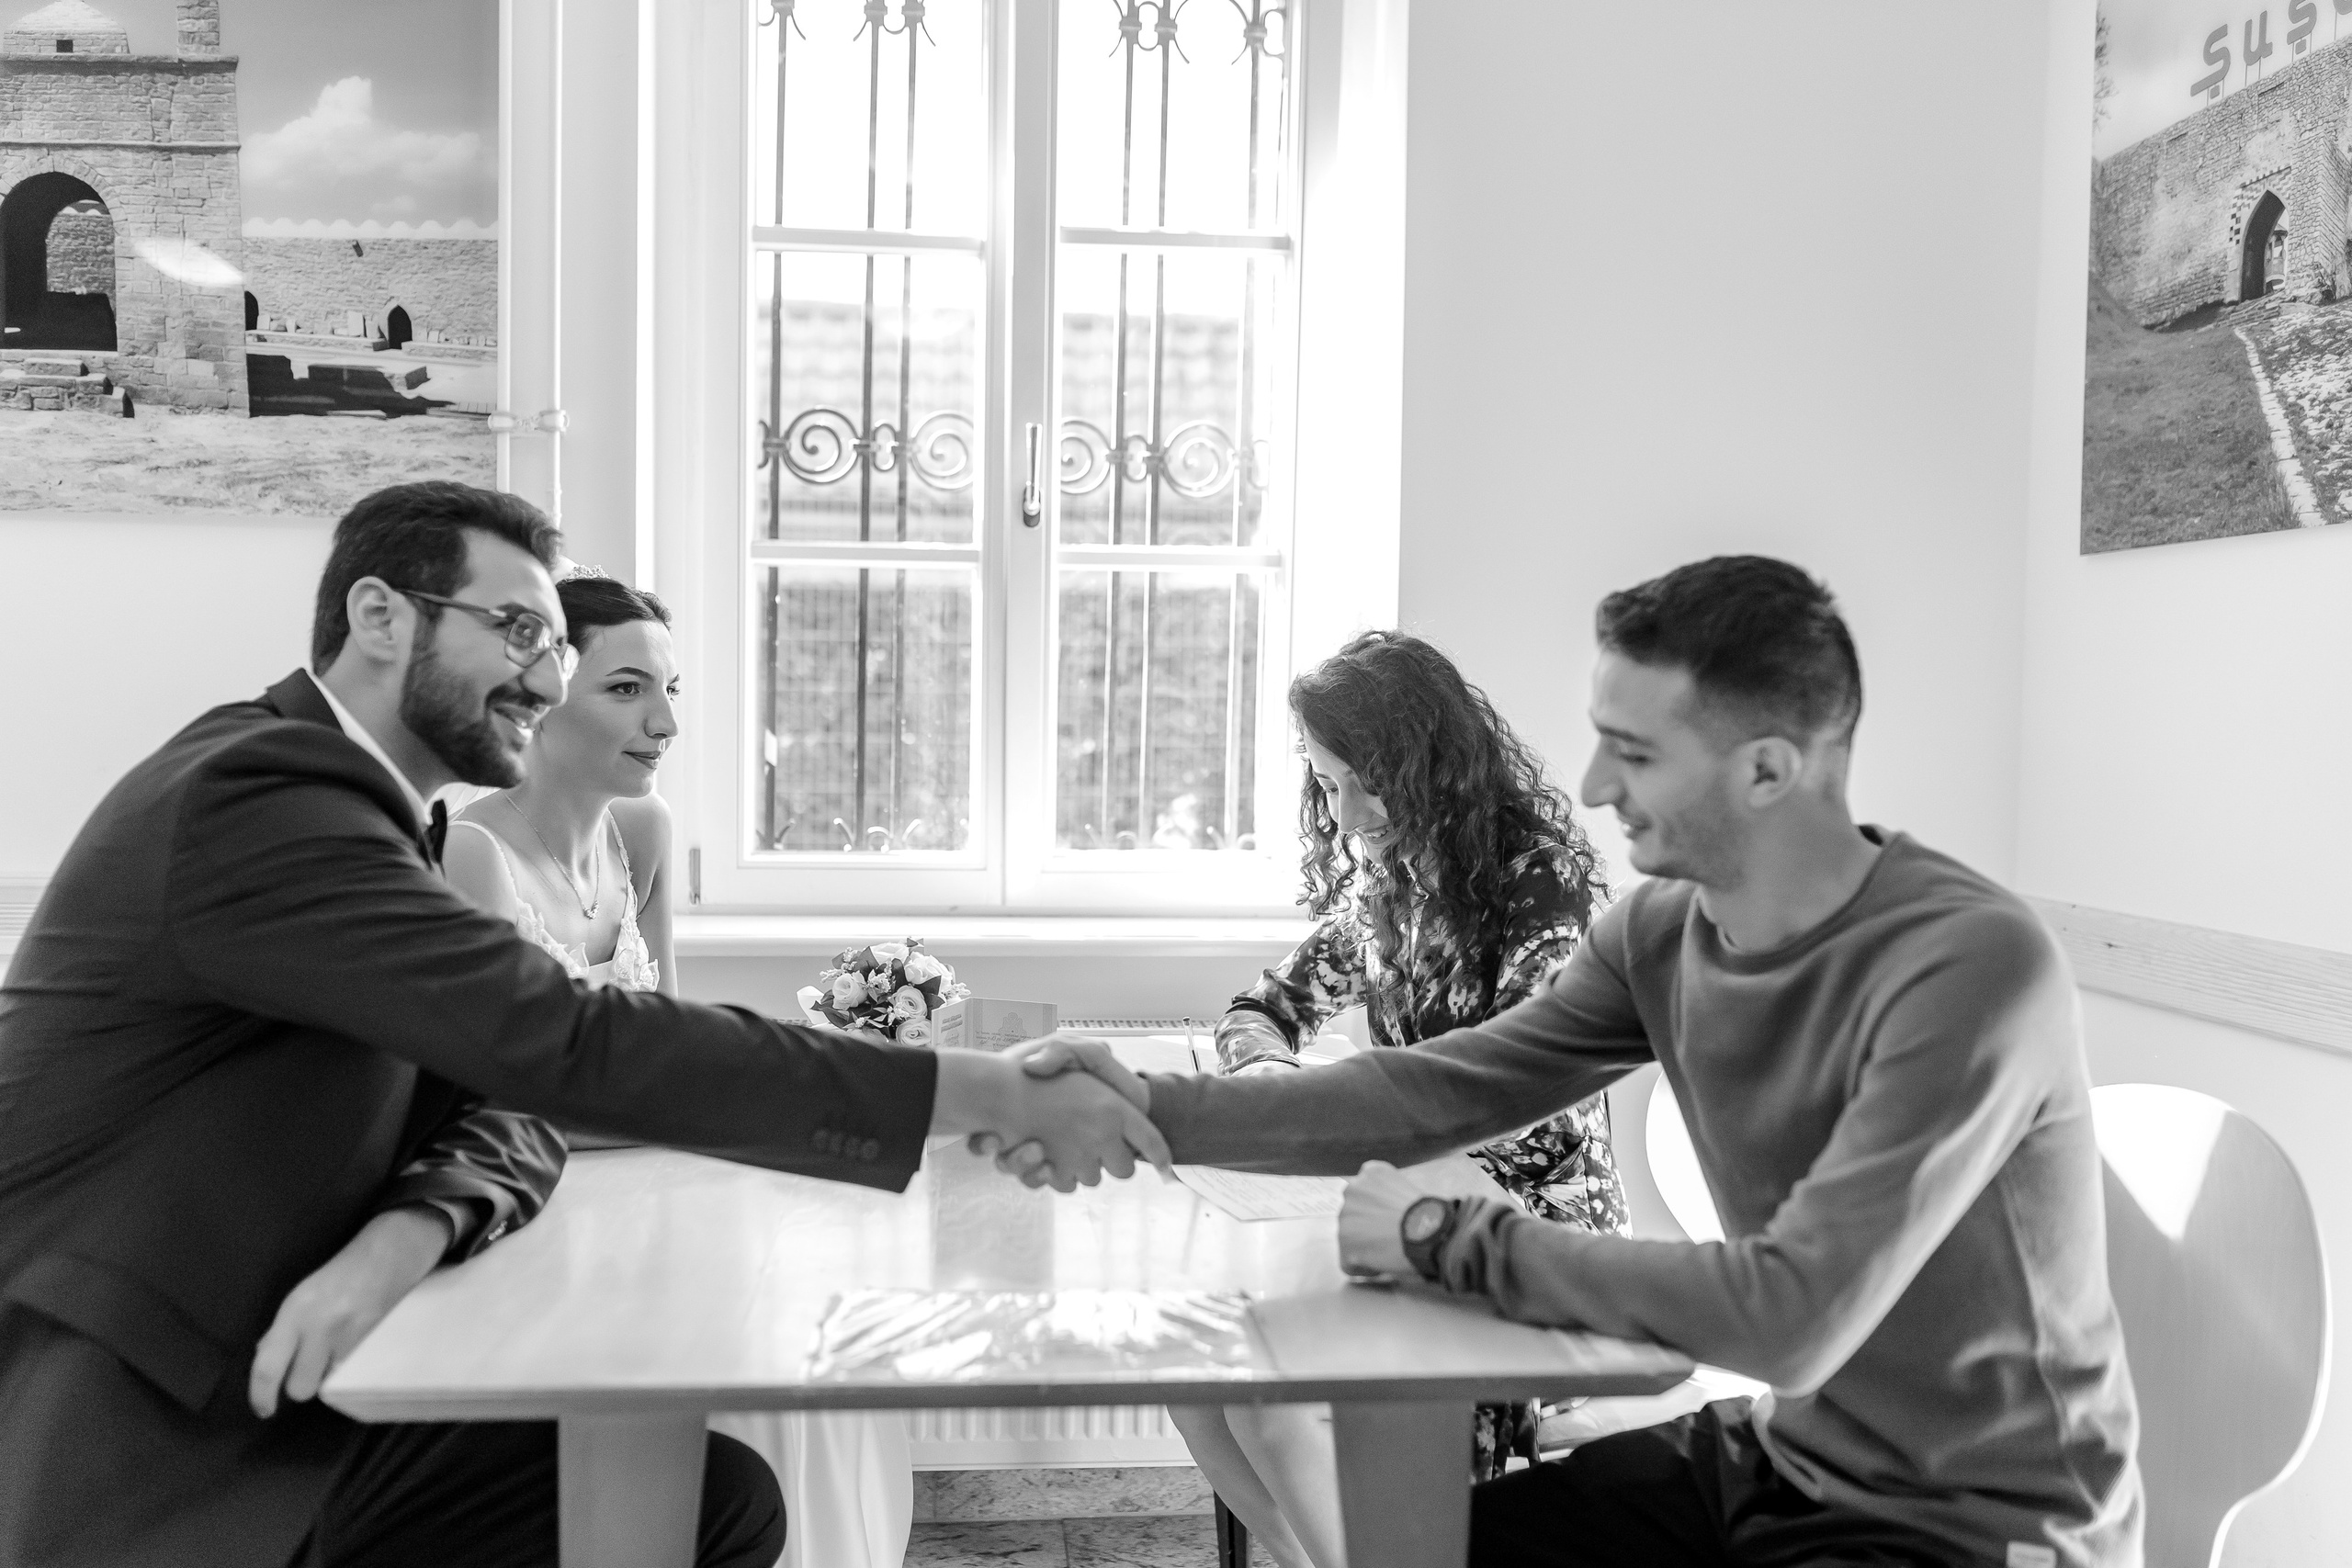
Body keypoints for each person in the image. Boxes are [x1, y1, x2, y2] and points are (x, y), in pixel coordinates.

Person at [0, 481, 1164, 1568]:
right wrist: (983, 1093)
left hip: (303, 1369)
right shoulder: (258, 797)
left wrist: (404, 1233)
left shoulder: (366, 814)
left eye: (555, 646)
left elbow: (506, 1097)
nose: (547, 679)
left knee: (717, 1492)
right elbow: (568, 1042)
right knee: (694, 1497)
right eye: (516, 632)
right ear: (379, 617)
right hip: (137, 1420)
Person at [1000, 557, 2143, 1568]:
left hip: (1980, 1524)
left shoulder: (1967, 964)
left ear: (1767, 771)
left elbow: (1793, 1317)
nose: (1594, 784)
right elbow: (1434, 1091)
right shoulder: (1656, 934)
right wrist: (1148, 1103)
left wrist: (1447, 1239)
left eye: (1635, 753)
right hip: (1791, 1457)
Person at [438, 568, 915, 1568]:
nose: (664, 719)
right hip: (545, 1220)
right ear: (538, 692)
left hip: (664, 1194)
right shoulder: (471, 856)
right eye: (625, 689)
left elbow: (666, 1039)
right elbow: (494, 1098)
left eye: (671, 689)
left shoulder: (641, 833)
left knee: (826, 1334)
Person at [1171, 631, 1619, 1568]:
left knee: (1273, 1389)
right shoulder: (1383, 885)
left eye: (1355, 782)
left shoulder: (1541, 885)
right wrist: (1261, 1072)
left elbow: (1520, 1097)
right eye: (1325, 784)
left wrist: (1346, 1122)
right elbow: (1262, 1005)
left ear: (1424, 769)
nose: (1340, 816)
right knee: (1194, 1373)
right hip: (1403, 1184)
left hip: (1528, 1212)